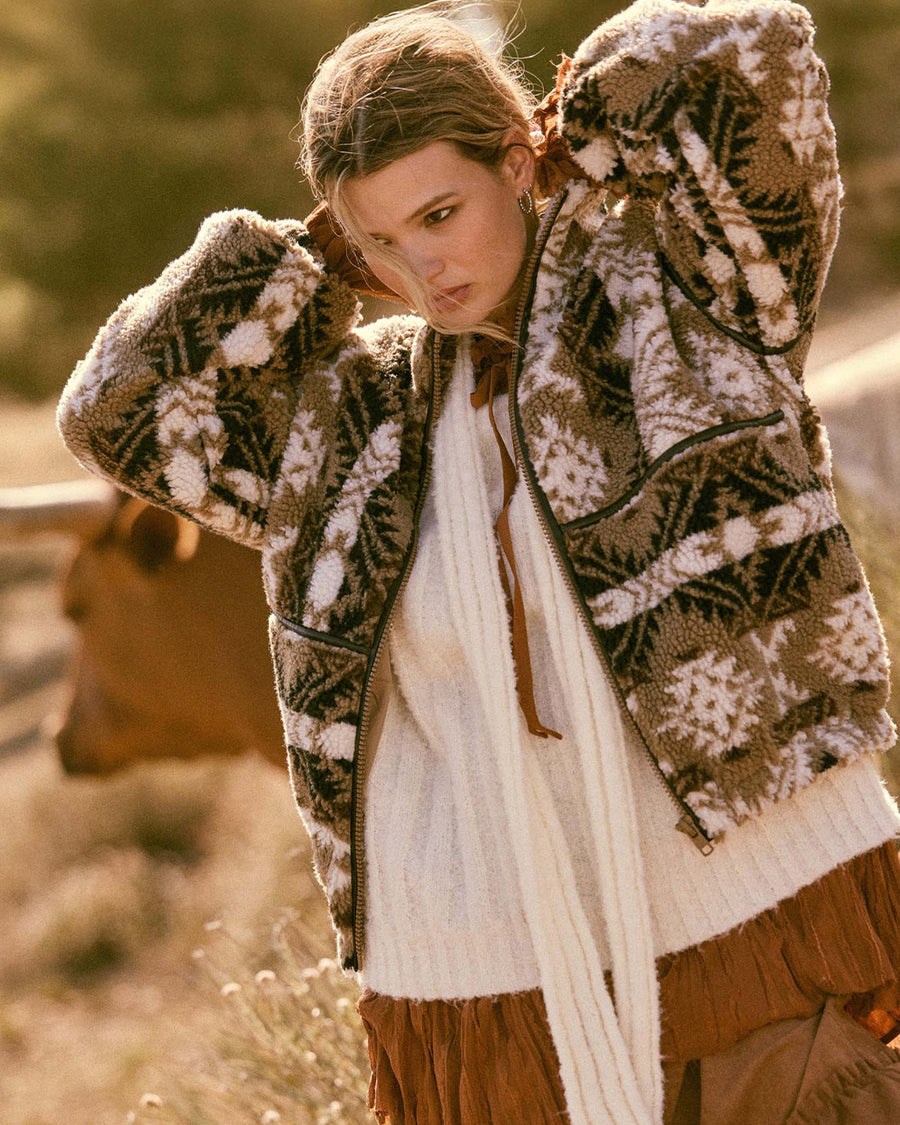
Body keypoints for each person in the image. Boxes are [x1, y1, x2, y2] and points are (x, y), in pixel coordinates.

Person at [57, 0, 900, 1121]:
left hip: (761, 926)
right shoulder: (343, 426)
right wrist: (309, 264)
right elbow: (119, 409)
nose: (423, 271)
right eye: (383, 243)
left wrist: (574, 130)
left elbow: (753, 54)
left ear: (520, 158)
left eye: (442, 212)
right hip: (487, 983)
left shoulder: (680, 299)